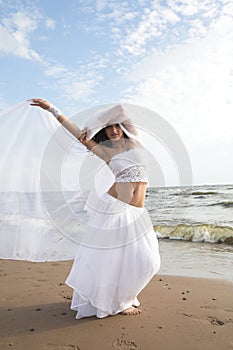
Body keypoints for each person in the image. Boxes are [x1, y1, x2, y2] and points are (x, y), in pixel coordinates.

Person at [31, 98, 161, 319]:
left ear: (123, 126)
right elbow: (74, 132)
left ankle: (123, 297)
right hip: (113, 208)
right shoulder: (106, 153)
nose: (112, 131)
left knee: (148, 261)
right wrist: (52, 108)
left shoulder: (137, 142)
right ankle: (120, 302)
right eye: (107, 128)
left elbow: (121, 108)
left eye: (115, 126)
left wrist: (96, 122)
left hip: (137, 212)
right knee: (112, 261)